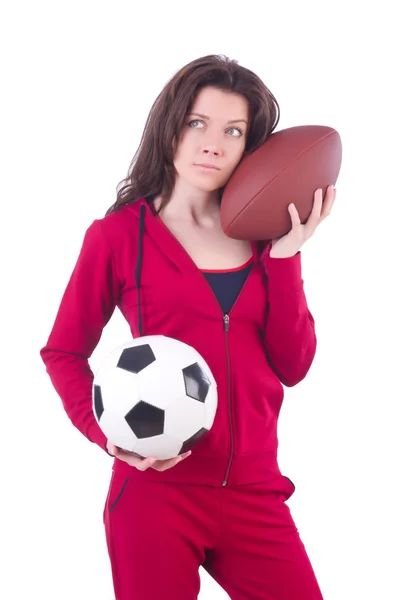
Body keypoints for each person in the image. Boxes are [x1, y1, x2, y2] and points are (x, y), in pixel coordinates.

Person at [40, 54, 335, 600]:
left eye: (234, 131)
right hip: (156, 493)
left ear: (250, 147)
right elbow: (62, 351)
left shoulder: (266, 241)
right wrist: (110, 437)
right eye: (197, 122)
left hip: (254, 491)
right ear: (170, 124)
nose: (212, 144)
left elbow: (293, 366)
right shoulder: (117, 237)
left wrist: (287, 257)